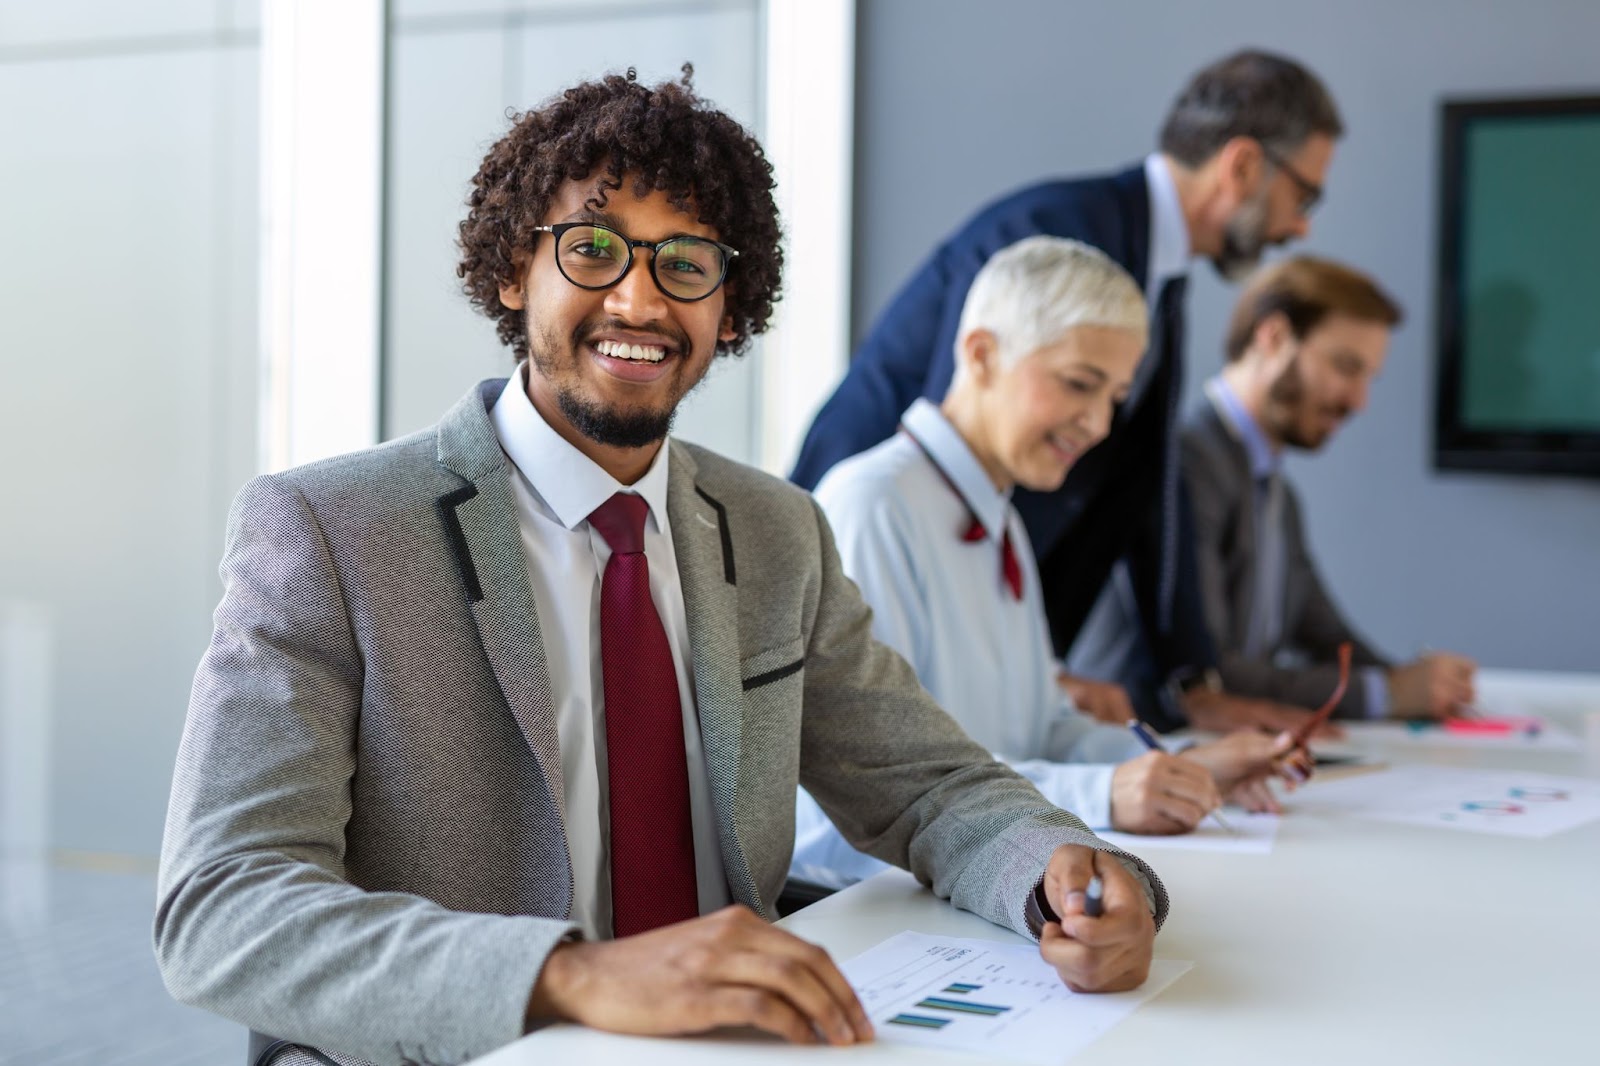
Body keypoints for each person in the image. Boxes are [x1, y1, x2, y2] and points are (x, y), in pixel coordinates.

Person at [154, 71, 1169, 1066]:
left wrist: (1057, 876)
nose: (638, 297)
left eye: (685, 263)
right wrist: (569, 974)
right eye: (592, 249)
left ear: (731, 309)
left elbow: (931, 785)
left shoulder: (777, 532)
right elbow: (223, 904)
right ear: (513, 270)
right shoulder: (330, 530)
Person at [790, 49, 1344, 735]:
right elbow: (966, 441)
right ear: (1243, 166)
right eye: (1306, 196)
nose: (1301, 227)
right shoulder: (1059, 234)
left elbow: (1147, 486)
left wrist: (1186, 688)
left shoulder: (1160, 275)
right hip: (867, 586)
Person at [789, 237, 1299, 888]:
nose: (1097, 425)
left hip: (979, 884)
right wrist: (1107, 793)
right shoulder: (873, 506)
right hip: (873, 909)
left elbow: (1041, 729)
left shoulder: (1002, 514)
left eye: (1114, 397)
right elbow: (879, 788)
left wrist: (1178, 764)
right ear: (981, 354)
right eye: (1079, 384)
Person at [1184, 255, 1477, 717]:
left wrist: (1420, 682)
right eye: (1346, 367)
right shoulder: (1191, 462)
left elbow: (1324, 636)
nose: (1359, 401)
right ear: (1274, 338)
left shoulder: (1278, 493)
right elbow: (1208, 673)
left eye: (1368, 378)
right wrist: (1386, 693)